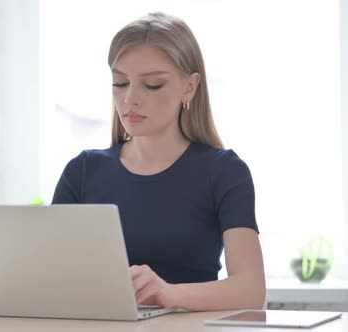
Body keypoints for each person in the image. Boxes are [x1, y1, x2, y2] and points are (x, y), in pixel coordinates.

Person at [52, 12, 265, 311]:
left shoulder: (224, 171)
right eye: (120, 82)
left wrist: (167, 294)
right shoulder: (83, 172)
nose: (130, 99)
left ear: (189, 88)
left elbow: (251, 290)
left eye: (152, 85)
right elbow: (49, 277)